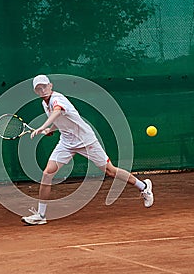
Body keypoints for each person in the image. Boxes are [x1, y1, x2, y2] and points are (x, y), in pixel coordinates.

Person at [21, 74, 154, 225]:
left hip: (85, 140)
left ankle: (143, 186)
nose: (43, 90)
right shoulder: (44, 104)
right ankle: (41, 215)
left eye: (44, 86)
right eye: (39, 88)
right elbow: (60, 119)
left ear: (50, 86)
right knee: (47, 173)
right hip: (66, 142)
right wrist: (51, 129)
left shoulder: (58, 98)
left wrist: (42, 127)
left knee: (110, 171)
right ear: (36, 92)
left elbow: (58, 111)